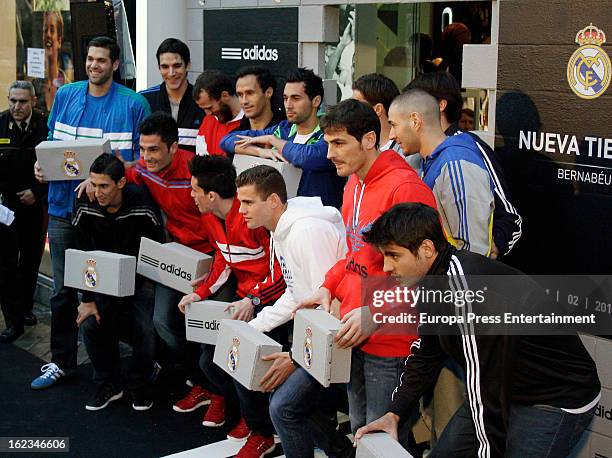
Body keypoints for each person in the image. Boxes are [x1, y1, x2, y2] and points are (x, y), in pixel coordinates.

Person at [356, 202, 601, 458]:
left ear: (427, 248)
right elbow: (427, 353)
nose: (385, 267)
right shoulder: (432, 282)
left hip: (556, 394)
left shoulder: (468, 293)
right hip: (507, 386)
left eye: (394, 255)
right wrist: (394, 412)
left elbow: (486, 385)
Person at [296, 99, 437, 438]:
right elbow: (353, 256)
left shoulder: (405, 187)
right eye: (328, 143)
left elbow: (428, 272)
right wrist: (329, 286)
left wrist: (376, 313)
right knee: (361, 433)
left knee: (384, 440)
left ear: (370, 140)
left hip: (391, 342)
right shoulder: (353, 183)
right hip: (354, 331)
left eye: (339, 143)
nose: (330, 153)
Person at [31, 36, 151, 390]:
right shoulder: (66, 96)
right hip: (62, 208)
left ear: (115, 65)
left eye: (101, 60)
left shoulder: (133, 104)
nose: (93, 65)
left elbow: (143, 162)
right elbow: (54, 148)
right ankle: (62, 362)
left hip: (108, 216)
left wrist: (111, 176)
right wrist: (41, 169)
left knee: (113, 286)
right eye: (89, 59)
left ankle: (121, 366)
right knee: (62, 291)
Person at [233, 165, 353, 458]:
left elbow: (327, 307)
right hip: (322, 330)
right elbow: (297, 293)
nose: (241, 211)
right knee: (284, 402)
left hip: (345, 333)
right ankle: (340, 450)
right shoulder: (281, 229)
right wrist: (252, 328)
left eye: (248, 203)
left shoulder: (305, 232)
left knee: (283, 406)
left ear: (273, 201)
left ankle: (340, 450)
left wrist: (297, 358)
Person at [176, 156, 286, 436]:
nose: (190, 196)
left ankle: (262, 431)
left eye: (194, 190)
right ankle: (237, 407)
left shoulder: (256, 218)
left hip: (270, 303)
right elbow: (223, 260)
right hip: (242, 298)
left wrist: (255, 301)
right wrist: (200, 294)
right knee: (208, 359)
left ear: (211, 196)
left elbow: (281, 274)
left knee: (241, 360)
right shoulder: (210, 218)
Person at [118, 112, 214, 406]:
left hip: (211, 258)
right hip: (175, 256)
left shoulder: (197, 172)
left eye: (154, 149)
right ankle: (200, 380)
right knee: (162, 322)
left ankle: (217, 391)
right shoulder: (144, 169)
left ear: (174, 148)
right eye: (142, 149)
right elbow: (124, 172)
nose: (146, 157)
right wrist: (91, 184)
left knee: (206, 328)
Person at [73, 154, 162, 411]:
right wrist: (87, 299)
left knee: (146, 327)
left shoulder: (141, 202)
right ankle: (109, 383)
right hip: (100, 276)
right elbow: (81, 250)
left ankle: (139, 384)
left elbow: (153, 248)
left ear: (121, 183)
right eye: (94, 184)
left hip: (139, 276)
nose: (97, 192)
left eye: (104, 186)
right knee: (89, 323)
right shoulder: (84, 200)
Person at [405, 71, 521, 259]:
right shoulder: (422, 153)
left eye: (415, 105)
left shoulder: (468, 149)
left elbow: (510, 218)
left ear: (440, 105)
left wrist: (492, 249)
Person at [388, 89, 495, 257]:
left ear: (415, 121)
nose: (391, 135)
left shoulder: (456, 163)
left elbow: (472, 251)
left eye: (394, 125)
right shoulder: (433, 161)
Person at [220, 68, 345, 209]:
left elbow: (307, 157)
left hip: (317, 223)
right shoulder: (282, 129)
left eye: (296, 98)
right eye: (285, 98)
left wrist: (274, 141)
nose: (288, 105)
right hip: (282, 220)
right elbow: (226, 141)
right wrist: (261, 152)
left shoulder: (331, 133)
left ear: (316, 101)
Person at [0, 81, 48, 343]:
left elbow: (55, 165)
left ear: (33, 102)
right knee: (6, 265)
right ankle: (12, 320)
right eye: (13, 101)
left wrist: (36, 193)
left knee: (30, 261)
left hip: (34, 205)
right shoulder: (0, 124)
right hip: (5, 207)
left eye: (22, 102)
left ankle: (26, 308)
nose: (17, 107)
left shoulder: (45, 126)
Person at [140, 38, 204, 152]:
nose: (171, 73)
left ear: (188, 65)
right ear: (158, 68)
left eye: (177, 66)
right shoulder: (144, 100)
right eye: (165, 67)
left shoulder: (203, 100)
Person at [193, 70, 243, 156]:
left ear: (225, 95)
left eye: (210, 107)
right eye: (204, 109)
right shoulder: (208, 122)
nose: (208, 113)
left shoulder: (253, 119)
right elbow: (202, 164)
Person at [235, 66, 285, 131]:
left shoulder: (288, 133)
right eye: (240, 95)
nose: (244, 101)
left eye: (250, 93)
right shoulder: (234, 138)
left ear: (268, 92)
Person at [42, 11, 73, 112]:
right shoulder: (35, 85)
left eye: (52, 30)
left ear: (59, 41)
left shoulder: (69, 88)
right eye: (45, 30)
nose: (48, 35)